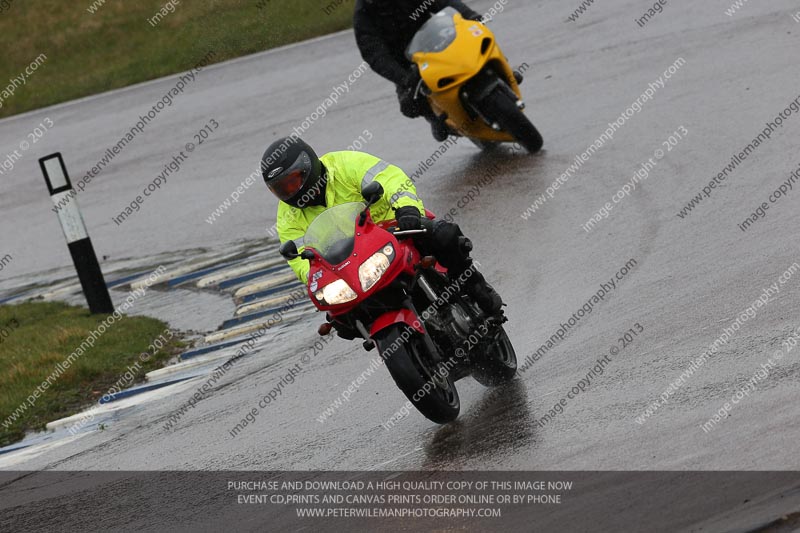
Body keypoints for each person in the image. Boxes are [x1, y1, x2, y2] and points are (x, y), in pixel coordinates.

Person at [261, 136, 503, 315]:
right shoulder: (288, 217)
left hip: (396, 229)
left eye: (293, 182)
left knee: (445, 236)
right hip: (352, 261)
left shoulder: (345, 164)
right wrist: (318, 277)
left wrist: (407, 208)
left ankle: (477, 287)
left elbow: (391, 180)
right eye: (281, 188)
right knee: (341, 316)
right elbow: (300, 259)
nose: (289, 191)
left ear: (308, 166)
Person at [353, 0, 485, 141]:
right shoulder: (363, 15)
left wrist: (470, 16)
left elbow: (442, 1)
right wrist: (404, 78)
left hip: (437, 40)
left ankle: (503, 73)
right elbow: (375, 55)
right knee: (410, 104)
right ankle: (435, 117)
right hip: (408, 65)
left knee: (477, 44)